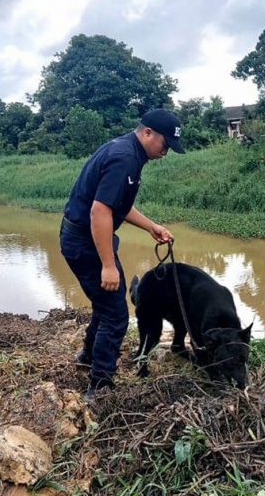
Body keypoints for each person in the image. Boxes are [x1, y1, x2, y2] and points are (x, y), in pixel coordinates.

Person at [59, 108, 185, 400]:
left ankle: (88, 355)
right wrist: (107, 265)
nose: (166, 152)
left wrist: (150, 226)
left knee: (106, 304)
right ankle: (99, 386)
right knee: (115, 314)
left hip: (84, 237)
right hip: (85, 241)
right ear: (148, 133)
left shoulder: (127, 151)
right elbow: (99, 210)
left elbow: (116, 204)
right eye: (165, 145)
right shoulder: (125, 158)